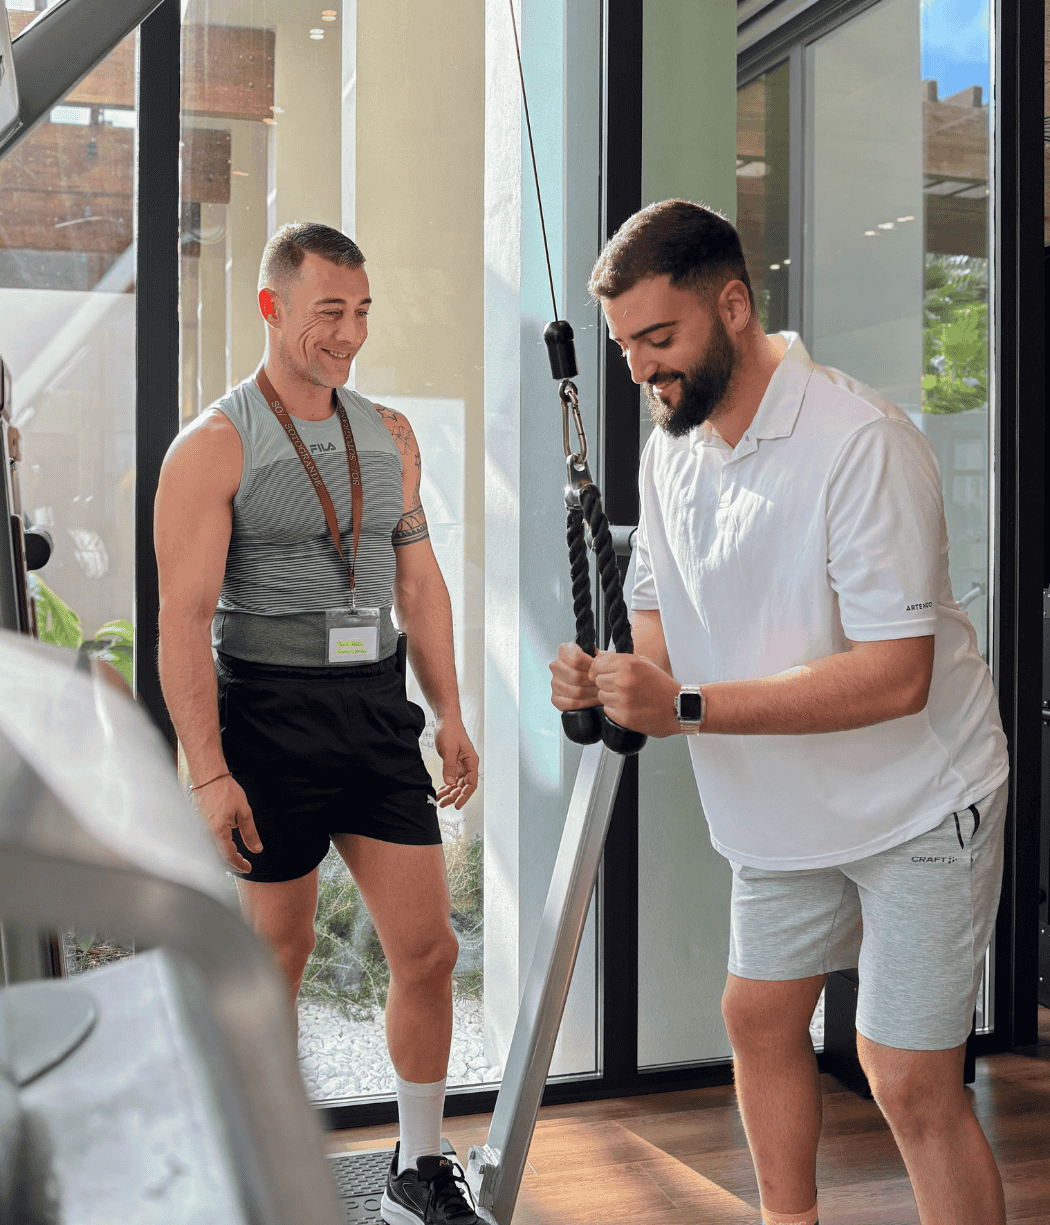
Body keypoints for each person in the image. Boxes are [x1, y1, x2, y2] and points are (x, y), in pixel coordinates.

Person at [550, 200, 1009, 1225]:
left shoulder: (859, 444)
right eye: (626, 346)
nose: (639, 369)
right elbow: (659, 626)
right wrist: (615, 680)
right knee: (758, 1020)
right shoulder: (671, 450)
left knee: (904, 1074)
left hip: (918, 801)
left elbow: (896, 675)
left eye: (659, 339)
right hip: (783, 815)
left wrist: (688, 705)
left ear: (735, 304)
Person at [155, 222, 481, 1225]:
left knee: (427, 952)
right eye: (328, 311)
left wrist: (451, 714)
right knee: (275, 959)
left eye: (362, 311)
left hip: (375, 709)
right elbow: (184, 620)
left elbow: (418, 583)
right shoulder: (215, 443)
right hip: (268, 713)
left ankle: (417, 1169)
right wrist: (208, 773)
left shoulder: (392, 435)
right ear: (273, 307)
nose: (349, 332)